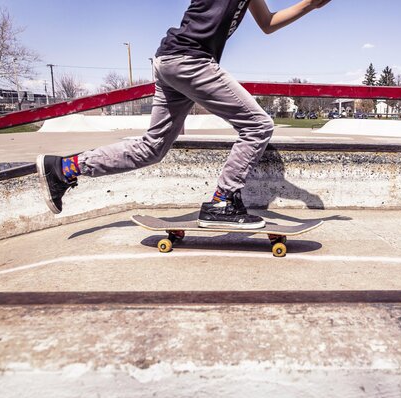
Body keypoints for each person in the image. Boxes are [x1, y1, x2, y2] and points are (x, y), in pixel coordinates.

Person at [36, 0, 331, 229]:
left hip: (170, 60)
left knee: (152, 148)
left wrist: (309, 5)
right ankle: (223, 201)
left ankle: (65, 168)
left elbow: (267, 22)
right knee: (258, 125)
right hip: (190, 60)